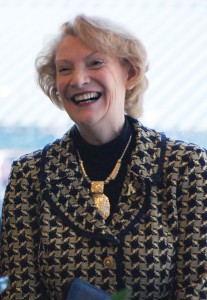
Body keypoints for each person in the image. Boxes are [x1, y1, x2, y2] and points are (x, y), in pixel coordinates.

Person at [0, 14, 207, 300]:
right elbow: (20, 292)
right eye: (64, 69)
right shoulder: (30, 176)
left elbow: (200, 289)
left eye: (95, 63)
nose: (79, 79)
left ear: (130, 73)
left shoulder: (187, 166)